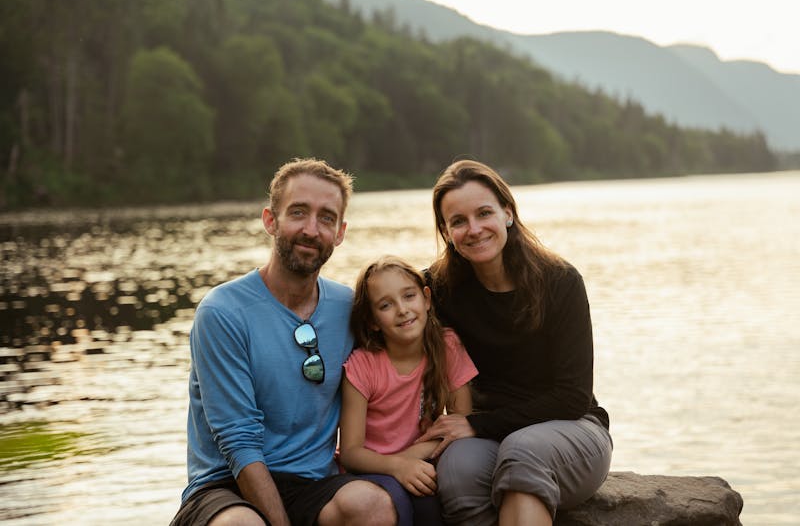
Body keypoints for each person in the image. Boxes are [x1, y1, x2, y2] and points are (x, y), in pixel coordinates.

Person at [170, 158, 396, 526]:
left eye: (326, 218)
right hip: (226, 486)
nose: (311, 229)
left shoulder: (348, 307)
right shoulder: (223, 312)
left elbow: (402, 353)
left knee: (371, 504)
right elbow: (238, 442)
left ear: (340, 232)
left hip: (311, 485)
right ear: (270, 220)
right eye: (298, 212)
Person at [416, 159, 613, 525]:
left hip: (572, 428)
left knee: (523, 452)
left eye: (484, 213)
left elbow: (572, 397)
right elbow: (387, 328)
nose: (473, 229)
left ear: (508, 213)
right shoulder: (438, 290)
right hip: (490, 437)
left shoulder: (560, 282)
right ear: (446, 231)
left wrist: (475, 424)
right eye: (458, 221)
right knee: (456, 469)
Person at [339, 256, 478, 526]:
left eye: (409, 296)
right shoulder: (363, 365)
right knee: (401, 503)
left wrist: (412, 459)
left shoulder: (447, 346)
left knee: (436, 500)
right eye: (386, 305)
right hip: (371, 471)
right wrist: (397, 466)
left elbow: (461, 423)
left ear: (426, 299)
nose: (402, 310)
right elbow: (350, 453)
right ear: (372, 321)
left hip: (422, 459)